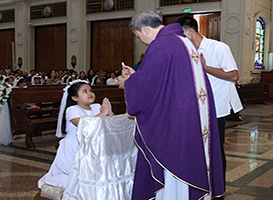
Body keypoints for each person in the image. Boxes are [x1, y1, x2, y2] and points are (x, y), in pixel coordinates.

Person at [116, 11, 224, 200]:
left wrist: (127, 83)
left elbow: (148, 87)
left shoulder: (161, 45)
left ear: (145, 29)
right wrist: (135, 76)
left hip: (175, 119)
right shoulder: (182, 41)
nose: (140, 40)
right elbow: (162, 81)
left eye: (138, 35)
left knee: (175, 161)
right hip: (189, 114)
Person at [175, 15, 243, 192]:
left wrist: (205, 68)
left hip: (218, 107)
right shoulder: (188, 52)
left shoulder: (218, 47)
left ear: (189, 32)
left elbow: (234, 75)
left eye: (181, 35)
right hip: (198, 108)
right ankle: (203, 183)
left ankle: (218, 187)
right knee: (199, 147)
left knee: (216, 148)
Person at [38, 80, 113, 189]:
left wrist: (109, 113)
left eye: (91, 90)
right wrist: (103, 114)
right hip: (75, 146)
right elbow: (83, 125)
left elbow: (110, 121)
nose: (90, 93)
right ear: (75, 98)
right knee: (74, 174)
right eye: (84, 91)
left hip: (93, 144)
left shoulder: (97, 107)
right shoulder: (72, 110)